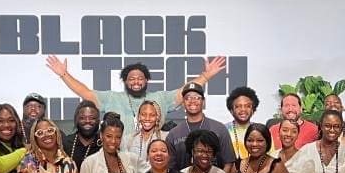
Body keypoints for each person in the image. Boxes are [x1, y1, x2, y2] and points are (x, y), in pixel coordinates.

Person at [45, 56, 226, 135]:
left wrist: (206, 76)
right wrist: (63, 74)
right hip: (120, 160)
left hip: (153, 161)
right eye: (131, 79)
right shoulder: (112, 98)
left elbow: (183, 92)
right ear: (125, 82)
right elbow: (84, 91)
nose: (136, 82)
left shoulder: (160, 98)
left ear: (146, 81)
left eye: (140, 78)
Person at [166, 82, 236, 171]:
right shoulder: (173, 134)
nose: (192, 101)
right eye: (188, 98)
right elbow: (171, 168)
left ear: (203, 102)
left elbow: (228, 163)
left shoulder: (219, 129)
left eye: (197, 97)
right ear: (183, 103)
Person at [126, 99, 164, 173]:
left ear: (157, 117)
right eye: (143, 114)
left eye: (152, 115)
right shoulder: (128, 139)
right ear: (139, 116)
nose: (147, 118)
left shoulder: (165, 138)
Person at [225, 86, 260, 162]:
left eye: (247, 106)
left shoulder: (261, 131)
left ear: (253, 110)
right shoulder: (223, 131)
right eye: (238, 106)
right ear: (231, 110)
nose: (243, 110)